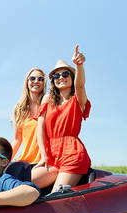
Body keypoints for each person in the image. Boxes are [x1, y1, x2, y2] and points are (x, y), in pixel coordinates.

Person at [32, 45, 91, 192]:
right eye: (56, 76)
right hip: (51, 156)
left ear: (72, 77)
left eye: (65, 74)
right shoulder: (47, 99)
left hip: (72, 154)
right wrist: (43, 156)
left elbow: (81, 86)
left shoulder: (77, 100)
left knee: (56, 196)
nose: (61, 78)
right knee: (23, 186)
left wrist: (79, 66)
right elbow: (40, 129)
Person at [11, 68, 46, 164]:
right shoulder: (19, 109)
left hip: (45, 161)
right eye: (32, 78)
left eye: (40, 79)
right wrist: (4, 160)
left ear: (44, 83)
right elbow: (17, 140)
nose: (36, 81)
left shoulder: (49, 104)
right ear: (27, 82)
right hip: (26, 161)